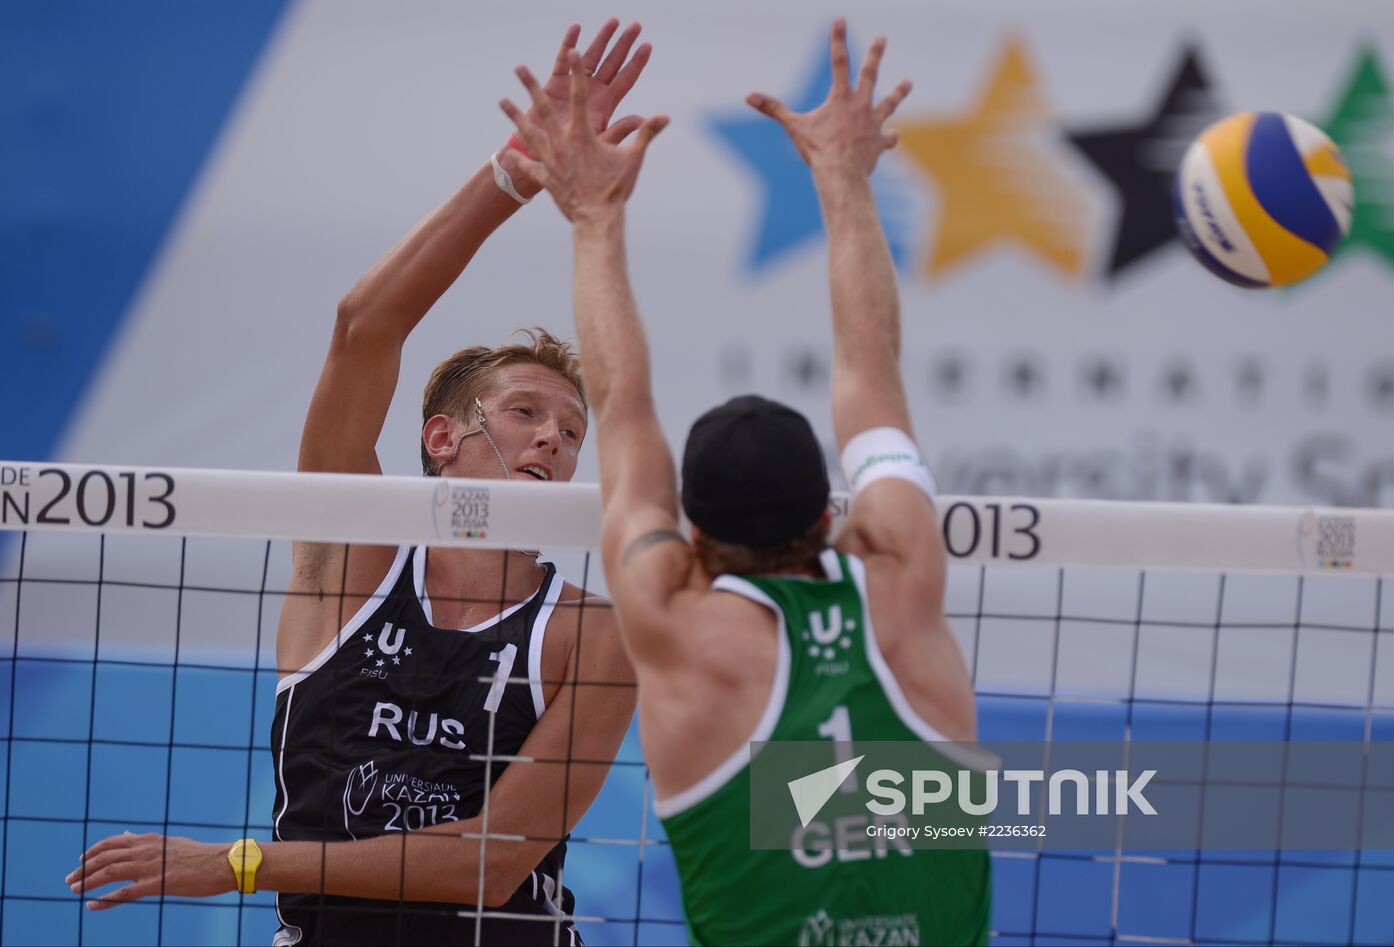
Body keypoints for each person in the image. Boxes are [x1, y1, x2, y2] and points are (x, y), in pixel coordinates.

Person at [65, 20, 650, 947]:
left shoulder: (592, 629)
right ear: (443, 437)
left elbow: (492, 862)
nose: (554, 440)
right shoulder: (350, 559)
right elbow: (360, 329)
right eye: (528, 413)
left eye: (573, 431)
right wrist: (512, 175)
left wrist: (243, 862)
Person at [501, 18, 991, 946]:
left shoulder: (672, 621)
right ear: (829, 513)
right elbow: (871, 375)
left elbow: (623, 406)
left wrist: (595, 218)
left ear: (693, 537)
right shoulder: (905, 575)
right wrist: (845, 183)